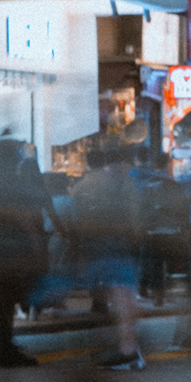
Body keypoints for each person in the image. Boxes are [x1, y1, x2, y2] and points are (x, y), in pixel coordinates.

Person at [60, 144, 147, 370]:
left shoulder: (83, 185)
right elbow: (134, 217)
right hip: (119, 245)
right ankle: (129, 350)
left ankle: (127, 349)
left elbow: (73, 216)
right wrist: (137, 239)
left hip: (94, 246)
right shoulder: (126, 183)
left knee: (113, 296)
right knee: (124, 296)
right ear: (123, 163)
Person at [0, 139, 50, 368]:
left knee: (5, 295)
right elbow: (28, 217)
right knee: (10, 294)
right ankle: (5, 347)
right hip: (15, 246)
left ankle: (5, 343)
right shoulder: (13, 186)